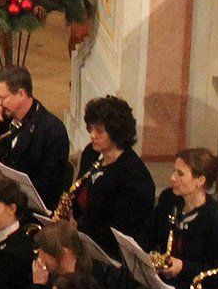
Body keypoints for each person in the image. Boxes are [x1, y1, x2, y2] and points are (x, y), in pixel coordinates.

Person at [0, 66, 72, 213]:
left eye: (2, 98)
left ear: (21, 93)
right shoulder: (2, 118)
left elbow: (46, 189)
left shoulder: (52, 131)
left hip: (23, 211)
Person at [144, 148, 218, 289]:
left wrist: (184, 267)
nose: (172, 177)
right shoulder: (169, 199)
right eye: (174, 171)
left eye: (180, 174)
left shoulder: (216, 220)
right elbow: (149, 233)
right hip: (160, 285)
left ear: (200, 181)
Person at [63, 94, 153, 249]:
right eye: (90, 128)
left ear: (116, 133)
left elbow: (120, 233)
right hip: (80, 237)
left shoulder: (134, 177)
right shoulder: (91, 153)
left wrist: (78, 229)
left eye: (99, 131)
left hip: (108, 252)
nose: (92, 135)